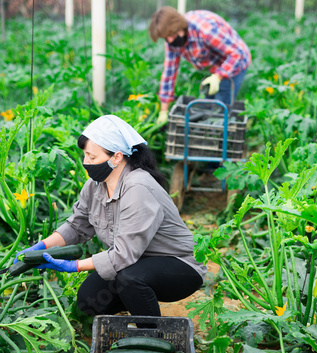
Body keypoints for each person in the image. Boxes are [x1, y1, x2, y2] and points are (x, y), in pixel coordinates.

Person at [14, 115, 207, 319]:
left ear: (116, 157)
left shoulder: (138, 187)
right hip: (135, 261)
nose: (86, 163)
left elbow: (123, 254)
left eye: (92, 157)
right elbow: (77, 226)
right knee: (89, 301)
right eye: (85, 156)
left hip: (178, 266)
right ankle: (137, 302)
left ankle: (153, 333)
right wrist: (41, 246)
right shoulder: (95, 184)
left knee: (129, 278)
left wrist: (74, 266)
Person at [149, 7, 251, 124]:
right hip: (215, 67)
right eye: (166, 38)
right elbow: (169, 73)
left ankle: (219, 134)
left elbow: (237, 54)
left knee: (220, 106)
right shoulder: (172, 41)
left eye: (171, 35)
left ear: (179, 28)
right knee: (208, 105)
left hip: (236, 61)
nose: (169, 40)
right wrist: (163, 111)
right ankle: (208, 130)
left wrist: (218, 76)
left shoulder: (206, 31)